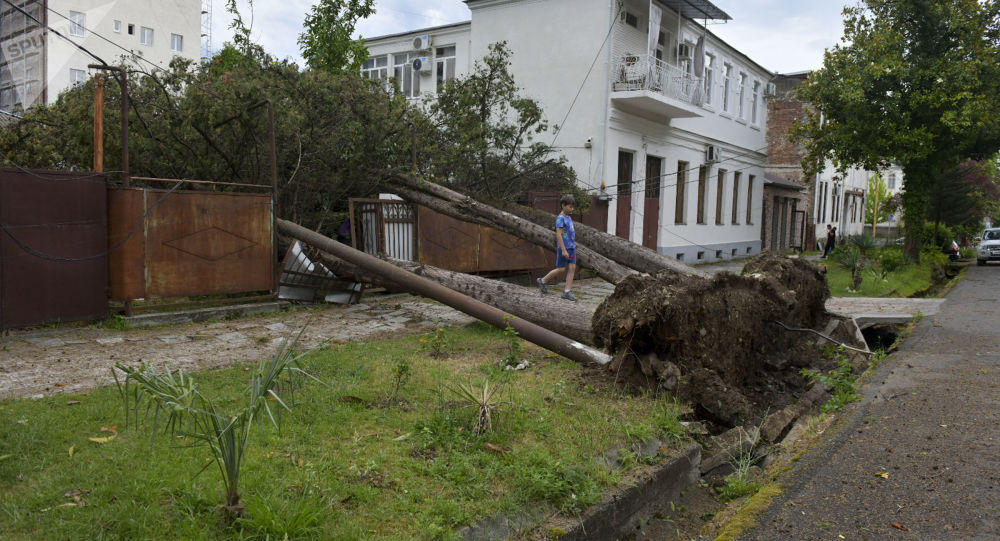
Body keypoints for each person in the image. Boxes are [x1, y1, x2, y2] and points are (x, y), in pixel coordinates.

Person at [537, 194, 578, 301]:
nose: (572, 209)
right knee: (561, 269)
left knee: (572, 267)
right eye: (570, 206)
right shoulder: (560, 219)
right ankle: (543, 281)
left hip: (571, 247)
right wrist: (563, 250)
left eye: (573, 207)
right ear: (563, 205)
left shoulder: (568, 217)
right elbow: (559, 235)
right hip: (564, 248)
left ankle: (567, 291)